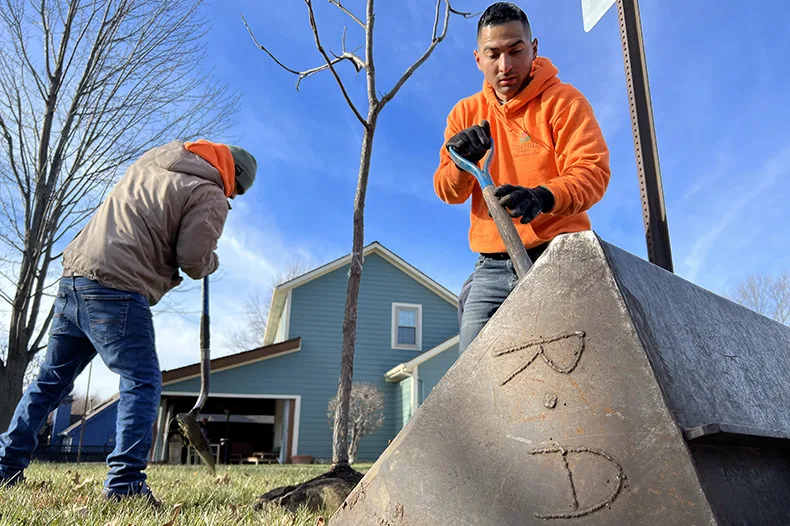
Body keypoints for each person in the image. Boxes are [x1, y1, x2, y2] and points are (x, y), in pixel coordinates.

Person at [0, 139, 257, 504]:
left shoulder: (155, 161)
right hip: (118, 287)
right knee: (142, 382)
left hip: (76, 276)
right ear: (236, 177)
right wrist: (210, 261)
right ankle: (125, 485)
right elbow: (194, 258)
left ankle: (4, 467)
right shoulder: (209, 191)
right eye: (238, 191)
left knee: (49, 382)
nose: (233, 196)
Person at [434, 2, 611, 352]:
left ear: (534, 48)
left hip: (561, 256)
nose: (505, 66)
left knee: (578, 361)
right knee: (476, 373)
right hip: (492, 268)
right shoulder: (465, 113)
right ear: (477, 59)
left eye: (515, 51)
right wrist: (459, 163)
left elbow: (592, 171)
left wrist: (542, 197)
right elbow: (447, 191)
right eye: (493, 54)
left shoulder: (564, 102)